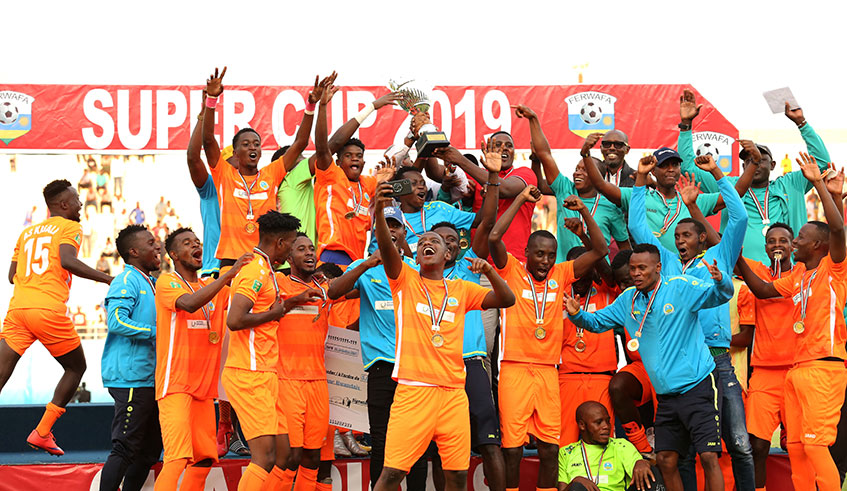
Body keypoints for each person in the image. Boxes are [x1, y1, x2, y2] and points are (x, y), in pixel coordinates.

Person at [370, 179, 515, 491]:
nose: (426, 243)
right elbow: (385, 247)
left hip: (452, 394)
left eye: (433, 240)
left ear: (448, 254)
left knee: (457, 477)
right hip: (413, 392)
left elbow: (506, 300)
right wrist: (380, 213)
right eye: (421, 241)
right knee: (392, 474)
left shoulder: (462, 289)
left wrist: (489, 271)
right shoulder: (404, 280)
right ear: (417, 255)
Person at [628, 154, 754, 491]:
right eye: (677, 235)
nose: (680, 240)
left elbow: (739, 216)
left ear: (701, 237)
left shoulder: (718, 257)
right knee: (680, 454)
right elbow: (638, 228)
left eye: (687, 234)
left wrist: (717, 173)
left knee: (738, 443)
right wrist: (640, 180)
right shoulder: (665, 265)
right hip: (681, 364)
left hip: (716, 359)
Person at [566, 243, 736, 491]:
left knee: (708, 456)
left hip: (697, 386)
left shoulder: (679, 286)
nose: (636, 273)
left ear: (658, 268)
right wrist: (577, 315)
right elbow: (597, 322)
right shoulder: (627, 299)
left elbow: (719, 295)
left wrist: (721, 282)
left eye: (642, 268)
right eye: (633, 268)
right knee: (666, 460)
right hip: (666, 397)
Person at [737, 153, 847, 491]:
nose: (793, 241)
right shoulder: (800, 275)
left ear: (817, 245)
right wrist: (732, 252)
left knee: (814, 445)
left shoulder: (834, 269)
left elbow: (839, 229)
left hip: (824, 368)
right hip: (797, 369)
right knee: (796, 448)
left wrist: (821, 187)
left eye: (799, 237)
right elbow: (762, 288)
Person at [490, 184, 609, 491]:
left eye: (550, 256)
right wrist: (518, 200)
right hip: (514, 368)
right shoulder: (512, 271)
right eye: (539, 254)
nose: (544, 261)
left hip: (547, 371)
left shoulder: (561, 273)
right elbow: (493, 237)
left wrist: (583, 211)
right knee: (513, 449)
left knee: (549, 448)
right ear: (526, 253)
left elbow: (600, 250)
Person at [0, 179, 112, 455]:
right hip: (47, 309)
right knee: (76, 368)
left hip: (18, 310)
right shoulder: (70, 226)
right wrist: (109, 279)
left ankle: (43, 432)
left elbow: (11, 276)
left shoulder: (28, 232)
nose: (81, 203)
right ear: (63, 205)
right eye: (76, 199)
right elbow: (67, 260)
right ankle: (42, 431)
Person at [326, 206, 430, 491]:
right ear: (375, 230)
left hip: (414, 368)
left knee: (416, 441)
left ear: (403, 232)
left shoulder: (414, 269)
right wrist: (366, 264)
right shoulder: (363, 266)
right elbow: (334, 292)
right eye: (385, 225)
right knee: (382, 441)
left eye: (395, 225)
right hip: (382, 367)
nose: (391, 231)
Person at [222, 210, 321, 490]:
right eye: (291, 245)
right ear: (279, 243)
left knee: (284, 454)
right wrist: (277, 311)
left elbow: (267, 310)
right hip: (248, 373)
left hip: (266, 373)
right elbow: (235, 320)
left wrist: (289, 304)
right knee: (264, 457)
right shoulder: (254, 269)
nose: (291, 251)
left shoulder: (266, 269)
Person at [429, 143, 506, 491]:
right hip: (434, 365)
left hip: (471, 361)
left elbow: (487, 221)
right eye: (440, 239)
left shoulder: (469, 268)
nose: (448, 244)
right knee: (436, 447)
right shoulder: (419, 274)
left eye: (453, 240)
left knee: (489, 439)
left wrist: (492, 175)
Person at [677, 90, 831, 263]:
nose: (754, 164)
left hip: (789, 275)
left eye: (760, 159)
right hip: (740, 276)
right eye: (748, 160)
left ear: (772, 165)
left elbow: (822, 162)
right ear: (743, 166)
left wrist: (801, 123)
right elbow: (687, 167)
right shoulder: (728, 186)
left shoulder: (791, 184)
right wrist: (686, 125)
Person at [153, 229, 250, 491]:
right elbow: (188, 304)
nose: (196, 245)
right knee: (176, 459)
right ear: (173, 254)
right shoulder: (166, 282)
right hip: (175, 386)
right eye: (187, 243)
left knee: (204, 459)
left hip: (204, 391)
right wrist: (227, 276)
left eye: (197, 242)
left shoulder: (211, 285)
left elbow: (247, 296)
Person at [201, 67, 322, 267]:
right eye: (246, 144)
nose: (252, 147)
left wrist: (311, 105)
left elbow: (300, 143)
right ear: (236, 152)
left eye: (256, 144)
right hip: (231, 260)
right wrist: (211, 102)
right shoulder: (224, 173)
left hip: (263, 261)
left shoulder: (271, 173)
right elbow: (208, 141)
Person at [277, 81, 400, 248]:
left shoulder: (367, 183)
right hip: (330, 253)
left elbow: (388, 177)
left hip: (354, 260)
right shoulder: (330, 176)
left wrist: (385, 180)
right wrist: (323, 106)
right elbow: (327, 146)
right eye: (348, 156)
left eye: (359, 156)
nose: (355, 159)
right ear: (338, 162)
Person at [514, 103, 629, 261]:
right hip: (564, 273)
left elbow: (624, 247)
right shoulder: (565, 189)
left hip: (598, 277)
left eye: (584, 170)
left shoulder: (610, 206)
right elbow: (545, 154)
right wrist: (533, 119)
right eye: (576, 169)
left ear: (597, 176)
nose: (577, 173)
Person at [734, 222, 797, 490]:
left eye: (784, 240)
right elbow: (722, 247)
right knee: (756, 444)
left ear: (794, 245)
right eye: (772, 241)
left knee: (799, 444)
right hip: (763, 372)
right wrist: (694, 208)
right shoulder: (758, 272)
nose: (777, 245)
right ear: (765, 246)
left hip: (797, 371)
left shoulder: (804, 273)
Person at [100, 225, 162, 491]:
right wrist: (158, 333)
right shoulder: (126, 280)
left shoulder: (152, 282)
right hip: (131, 379)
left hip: (150, 379)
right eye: (151, 243)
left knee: (148, 452)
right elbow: (115, 321)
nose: (157, 245)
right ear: (134, 251)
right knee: (125, 448)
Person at [580, 137, 725, 252]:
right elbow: (601, 185)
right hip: (650, 273)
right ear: (653, 171)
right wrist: (586, 154)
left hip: (686, 271)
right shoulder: (639, 197)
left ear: (680, 169)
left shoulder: (693, 200)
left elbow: (734, 198)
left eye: (675, 165)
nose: (670, 169)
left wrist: (715, 170)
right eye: (663, 165)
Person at [272, 233, 337, 491]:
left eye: (312, 249)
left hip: (318, 382)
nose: (309, 253)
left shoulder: (324, 289)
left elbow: (350, 290)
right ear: (289, 257)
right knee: (290, 456)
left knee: (313, 457)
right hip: (287, 381)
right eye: (301, 249)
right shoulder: (278, 283)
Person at [432, 134, 539, 262]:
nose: (504, 148)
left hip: (514, 263)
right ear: (487, 149)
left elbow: (505, 189)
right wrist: (426, 135)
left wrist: (461, 160)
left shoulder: (525, 173)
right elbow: (434, 173)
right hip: (477, 263)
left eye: (509, 146)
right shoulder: (476, 175)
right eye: (497, 145)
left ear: (513, 152)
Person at [558, 244, 620, 447]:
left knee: (603, 442)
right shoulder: (557, 294)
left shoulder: (608, 292)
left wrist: (590, 246)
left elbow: (604, 261)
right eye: (577, 272)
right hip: (566, 378)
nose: (581, 278)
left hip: (602, 377)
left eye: (587, 271)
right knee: (564, 443)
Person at [606, 250, 658, 458]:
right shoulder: (623, 303)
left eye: (629, 280)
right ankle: (642, 446)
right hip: (641, 370)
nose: (625, 287)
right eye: (621, 283)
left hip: (667, 366)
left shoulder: (661, 295)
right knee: (619, 386)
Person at [558, 402, 659, 491]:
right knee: (577, 487)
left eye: (607, 421)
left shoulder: (621, 445)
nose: (606, 426)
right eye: (598, 422)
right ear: (582, 425)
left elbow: (639, 467)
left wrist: (641, 462)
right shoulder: (566, 452)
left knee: (650, 472)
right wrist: (576, 481)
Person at [185, 92, 223, 278]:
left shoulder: (254, 189)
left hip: (248, 270)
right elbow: (193, 158)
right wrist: (203, 114)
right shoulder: (211, 187)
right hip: (214, 269)